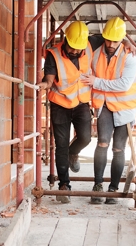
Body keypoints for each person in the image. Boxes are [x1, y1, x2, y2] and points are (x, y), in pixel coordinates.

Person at [36, 21, 103, 203]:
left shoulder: (89, 43)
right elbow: (49, 79)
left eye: (78, 49)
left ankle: (74, 153)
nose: (76, 51)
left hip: (81, 103)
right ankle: (64, 185)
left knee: (86, 138)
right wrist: (45, 84)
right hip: (60, 104)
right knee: (61, 146)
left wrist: (127, 42)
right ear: (66, 39)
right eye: (72, 48)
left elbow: (112, 40)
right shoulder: (54, 54)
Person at [80, 17, 136, 204]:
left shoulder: (130, 56)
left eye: (116, 40)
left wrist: (96, 82)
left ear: (122, 39)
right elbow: (79, 40)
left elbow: (124, 84)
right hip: (105, 104)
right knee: (103, 143)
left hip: (125, 108)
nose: (111, 44)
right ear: (103, 37)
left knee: (118, 148)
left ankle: (113, 189)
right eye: (109, 40)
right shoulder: (96, 48)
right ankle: (98, 185)